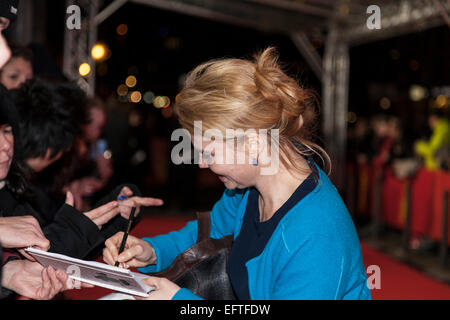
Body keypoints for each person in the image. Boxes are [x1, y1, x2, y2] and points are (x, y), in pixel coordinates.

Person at [103, 47, 371, 300]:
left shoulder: (315, 234)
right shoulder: (247, 189)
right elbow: (203, 236)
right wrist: (152, 252)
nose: (203, 165)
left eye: (210, 153)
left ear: (253, 144)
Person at [1, 79, 163, 259]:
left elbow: (60, 251)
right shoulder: (24, 189)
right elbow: (51, 253)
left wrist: (115, 211)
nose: (6, 144)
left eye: (7, 131)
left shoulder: (24, 185)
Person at [0, 83, 77, 299]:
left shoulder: (14, 191)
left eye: (7, 131)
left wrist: (7, 273)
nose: (5, 144)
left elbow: (47, 252)